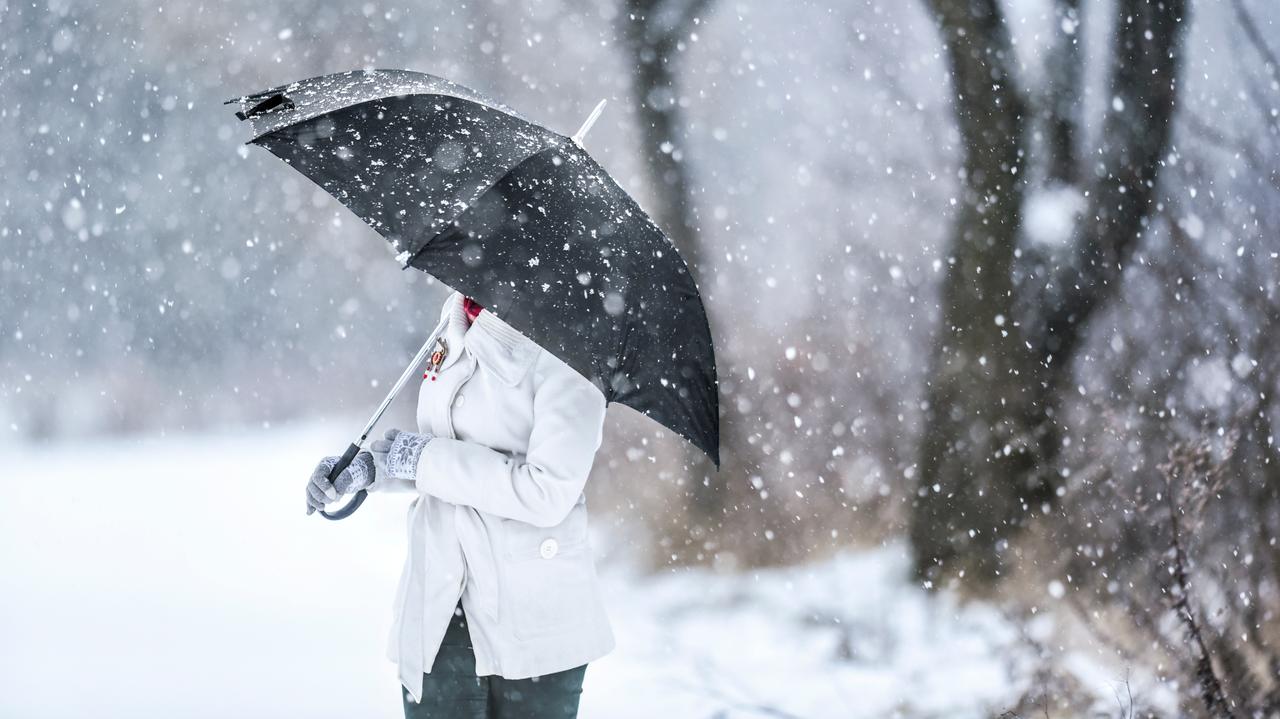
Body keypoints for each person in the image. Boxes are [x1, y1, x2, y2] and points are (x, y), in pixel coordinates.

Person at [305, 290, 613, 718]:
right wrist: (372, 469)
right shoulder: (457, 319)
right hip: (438, 605)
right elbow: (446, 450)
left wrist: (422, 457)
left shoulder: (571, 347)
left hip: (530, 621)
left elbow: (546, 493)